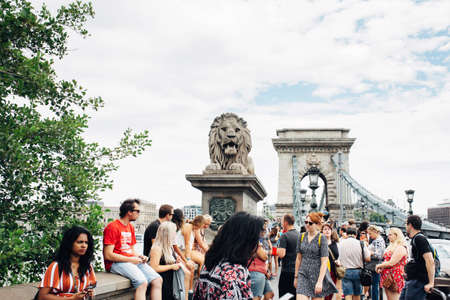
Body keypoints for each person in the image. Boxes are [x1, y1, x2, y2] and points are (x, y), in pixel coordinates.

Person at [193, 212, 265, 299]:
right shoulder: (235, 272)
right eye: (256, 239)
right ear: (246, 241)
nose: (257, 244)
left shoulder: (211, 263)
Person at [103, 199, 162, 300]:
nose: (139, 214)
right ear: (129, 212)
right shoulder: (112, 227)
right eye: (137, 211)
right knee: (142, 282)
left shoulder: (130, 227)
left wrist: (139, 256)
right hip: (115, 263)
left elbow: (130, 250)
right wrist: (131, 259)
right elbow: (108, 255)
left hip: (129, 260)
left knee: (157, 279)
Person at [37, 226, 96, 299]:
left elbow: (91, 285)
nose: (84, 246)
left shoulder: (87, 266)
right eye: (79, 242)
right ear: (70, 243)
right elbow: (42, 296)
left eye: (86, 243)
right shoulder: (56, 266)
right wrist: (70, 299)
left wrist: (89, 293)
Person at [295, 213, 338, 300]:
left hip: (317, 276)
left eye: (310, 223)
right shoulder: (301, 236)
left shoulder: (321, 238)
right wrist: (296, 276)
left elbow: (324, 262)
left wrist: (320, 282)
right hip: (303, 275)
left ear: (317, 224)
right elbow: (298, 258)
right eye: (306, 222)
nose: (307, 224)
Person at [401, 215, 435, 300]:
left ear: (410, 225)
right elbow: (415, 260)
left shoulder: (420, 239)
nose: (405, 226)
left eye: (406, 224)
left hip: (418, 281)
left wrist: (431, 283)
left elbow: (430, 261)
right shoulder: (415, 239)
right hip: (411, 279)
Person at [150, 221, 183, 300]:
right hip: (163, 283)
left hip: (171, 281)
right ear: (168, 234)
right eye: (174, 232)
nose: (175, 234)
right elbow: (154, 267)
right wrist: (172, 266)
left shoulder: (169, 246)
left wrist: (176, 260)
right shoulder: (157, 248)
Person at [338, 227, 370, 300]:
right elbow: (368, 258)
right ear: (356, 235)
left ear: (346, 234)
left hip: (345, 270)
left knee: (347, 293)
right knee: (357, 293)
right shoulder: (361, 243)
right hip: (358, 271)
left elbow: (338, 258)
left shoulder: (341, 243)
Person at [375, 228, 408, 300]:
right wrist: (382, 267)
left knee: (394, 297)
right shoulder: (393, 246)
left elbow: (392, 263)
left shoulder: (400, 247)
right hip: (388, 275)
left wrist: (379, 266)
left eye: (390, 234)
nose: (388, 236)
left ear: (396, 235)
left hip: (395, 275)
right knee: (389, 297)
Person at [248, 221, 274, 300]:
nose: (264, 233)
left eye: (265, 231)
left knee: (269, 294)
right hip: (255, 273)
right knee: (256, 297)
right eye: (262, 231)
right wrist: (263, 251)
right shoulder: (254, 241)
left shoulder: (257, 241)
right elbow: (264, 257)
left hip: (260, 271)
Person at [277, 214, 299, 299]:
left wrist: (277, 249)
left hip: (287, 272)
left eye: (282, 222)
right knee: (294, 296)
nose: (281, 224)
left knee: (284, 297)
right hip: (297, 272)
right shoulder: (300, 235)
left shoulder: (284, 236)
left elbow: (281, 254)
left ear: (286, 222)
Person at [367, 225, 386, 300]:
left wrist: (370, 253)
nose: (370, 236)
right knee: (375, 285)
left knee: (375, 286)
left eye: (370, 233)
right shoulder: (378, 240)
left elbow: (379, 255)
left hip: (375, 266)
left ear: (375, 232)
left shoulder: (378, 241)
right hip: (375, 266)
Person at [322, 223, 340, 300]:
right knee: (324, 292)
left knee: (331, 293)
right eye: (325, 229)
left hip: (333, 271)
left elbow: (339, 256)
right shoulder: (320, 243)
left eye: (329, 229)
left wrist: (339, 261)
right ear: (322, 231)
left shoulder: (336, 243)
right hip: (323, 271)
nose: (327, 231)